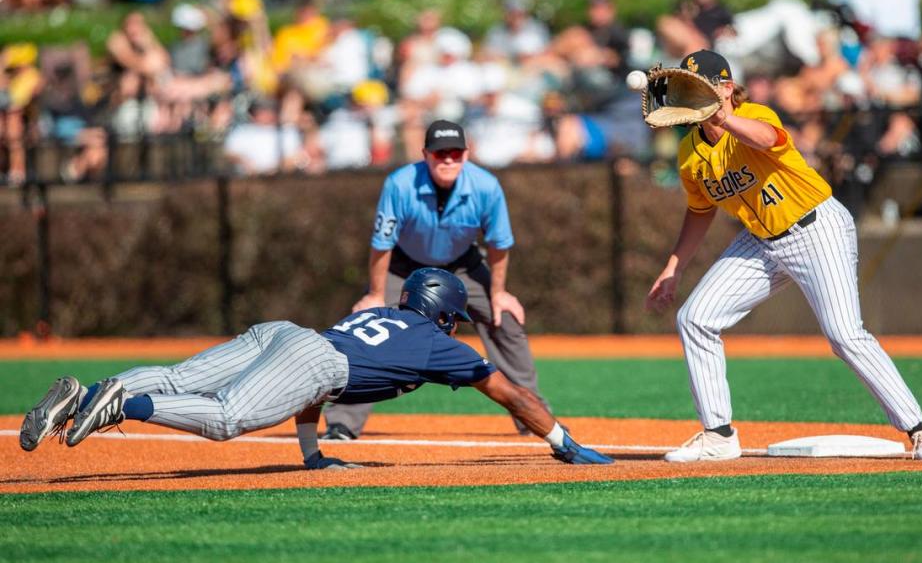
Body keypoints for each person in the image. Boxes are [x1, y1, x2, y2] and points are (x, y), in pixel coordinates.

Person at [643, 49, 922, 463]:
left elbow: (768, 139)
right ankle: (718, 435)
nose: (693, 97)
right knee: (695, 318)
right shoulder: (689, 154)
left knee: (844, 335)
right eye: (687, 90)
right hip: (762, 242)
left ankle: (921, 431)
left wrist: (724, 117)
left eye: (702, 88)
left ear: (728, 89)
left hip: (815, 227)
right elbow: (700, 211)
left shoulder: (757, 115)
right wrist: (674, 266)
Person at [19, 268, 613, 469]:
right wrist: (563, 441)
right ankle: (120, 404)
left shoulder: (385, 314)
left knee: (179, 377)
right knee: (227, 419)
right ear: (447, 316)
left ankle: (90, 392)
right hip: (316, 356)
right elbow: (510, 393)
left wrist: (310, 453)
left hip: (288, 332)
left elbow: (315, 380)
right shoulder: (440, 345)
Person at [322, 119, 550, 440]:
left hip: (462, 266)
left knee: (505, 318)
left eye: (455, 153)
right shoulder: (400, 184)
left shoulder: (485, 186)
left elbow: (499, 244)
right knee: (366, 326)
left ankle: (535, 416)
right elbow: (382, 245)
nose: (448, 160)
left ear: (466, 155)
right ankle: (342, 423)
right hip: (403, 267)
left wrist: (498, 293)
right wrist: (375, 294)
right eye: (440, 153)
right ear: (425, 154)